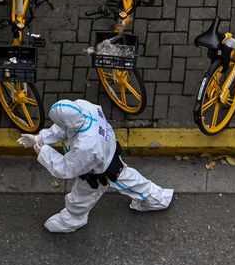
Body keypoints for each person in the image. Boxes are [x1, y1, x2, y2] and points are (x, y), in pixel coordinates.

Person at [18, 99, 174, 233]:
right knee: (126, 177)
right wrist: (40, 138)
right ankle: (158, 197)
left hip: (97, 170)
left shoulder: (86, 146)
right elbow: (64, 127)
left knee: (80, 197)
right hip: (109, 152)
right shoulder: (84, 107)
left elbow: (66, 168)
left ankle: (73, 219)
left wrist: (42, 151)